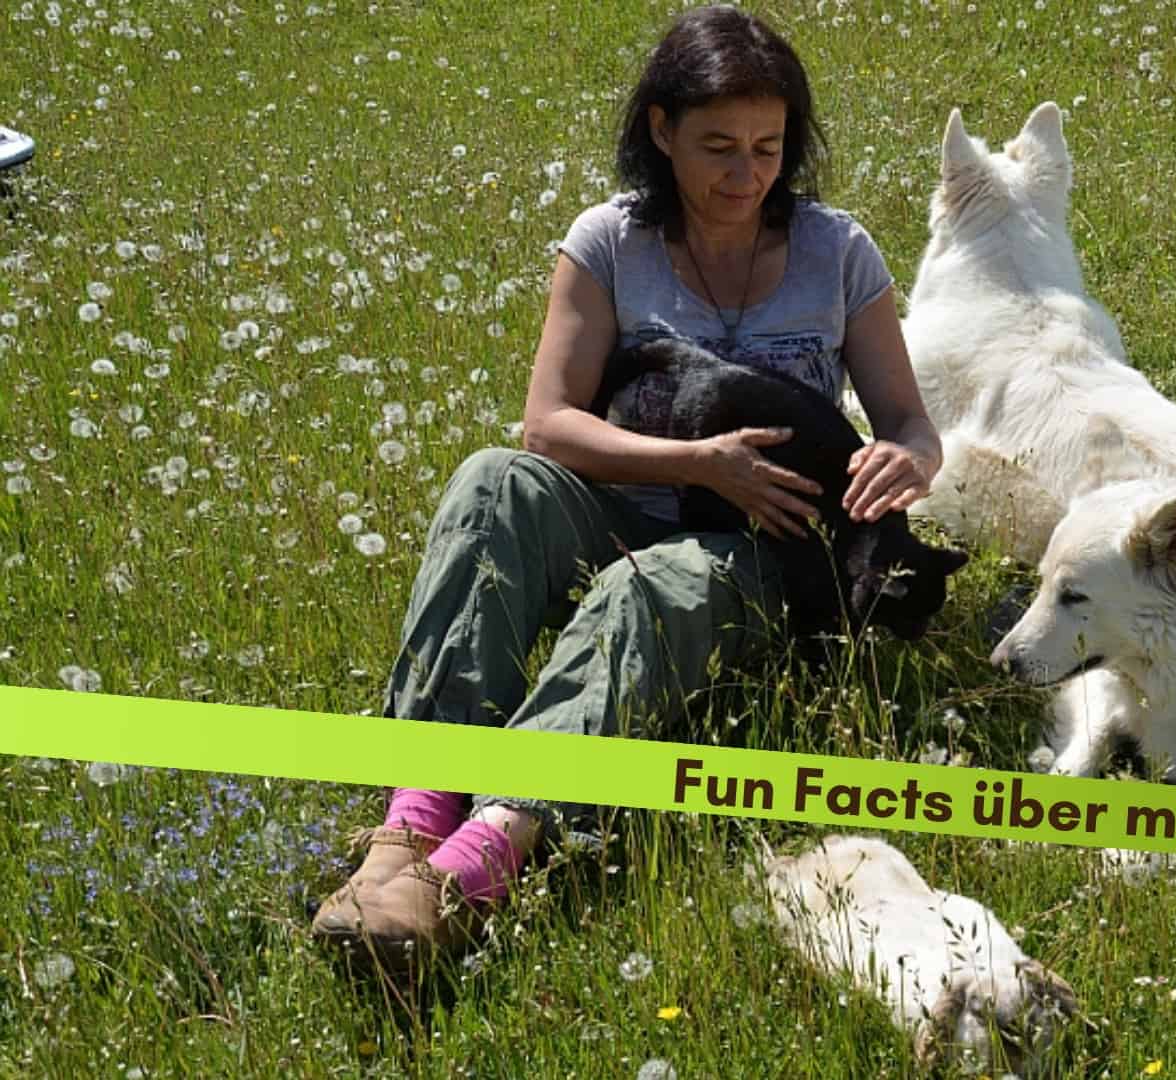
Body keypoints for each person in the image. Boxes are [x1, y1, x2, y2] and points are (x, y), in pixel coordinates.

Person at [309, 5, 943, 969]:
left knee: (645, 590)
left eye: (769, 147)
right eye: (719, 146)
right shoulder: (609, 241)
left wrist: (910, 458)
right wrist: (694, 461)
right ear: (661, 130)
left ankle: (470, 873)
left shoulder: (838, 251)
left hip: (763, 546)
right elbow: (549, 424)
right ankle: (409, 826)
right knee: (493, 482)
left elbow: (908, 420)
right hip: (617, 503)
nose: (748, 174)